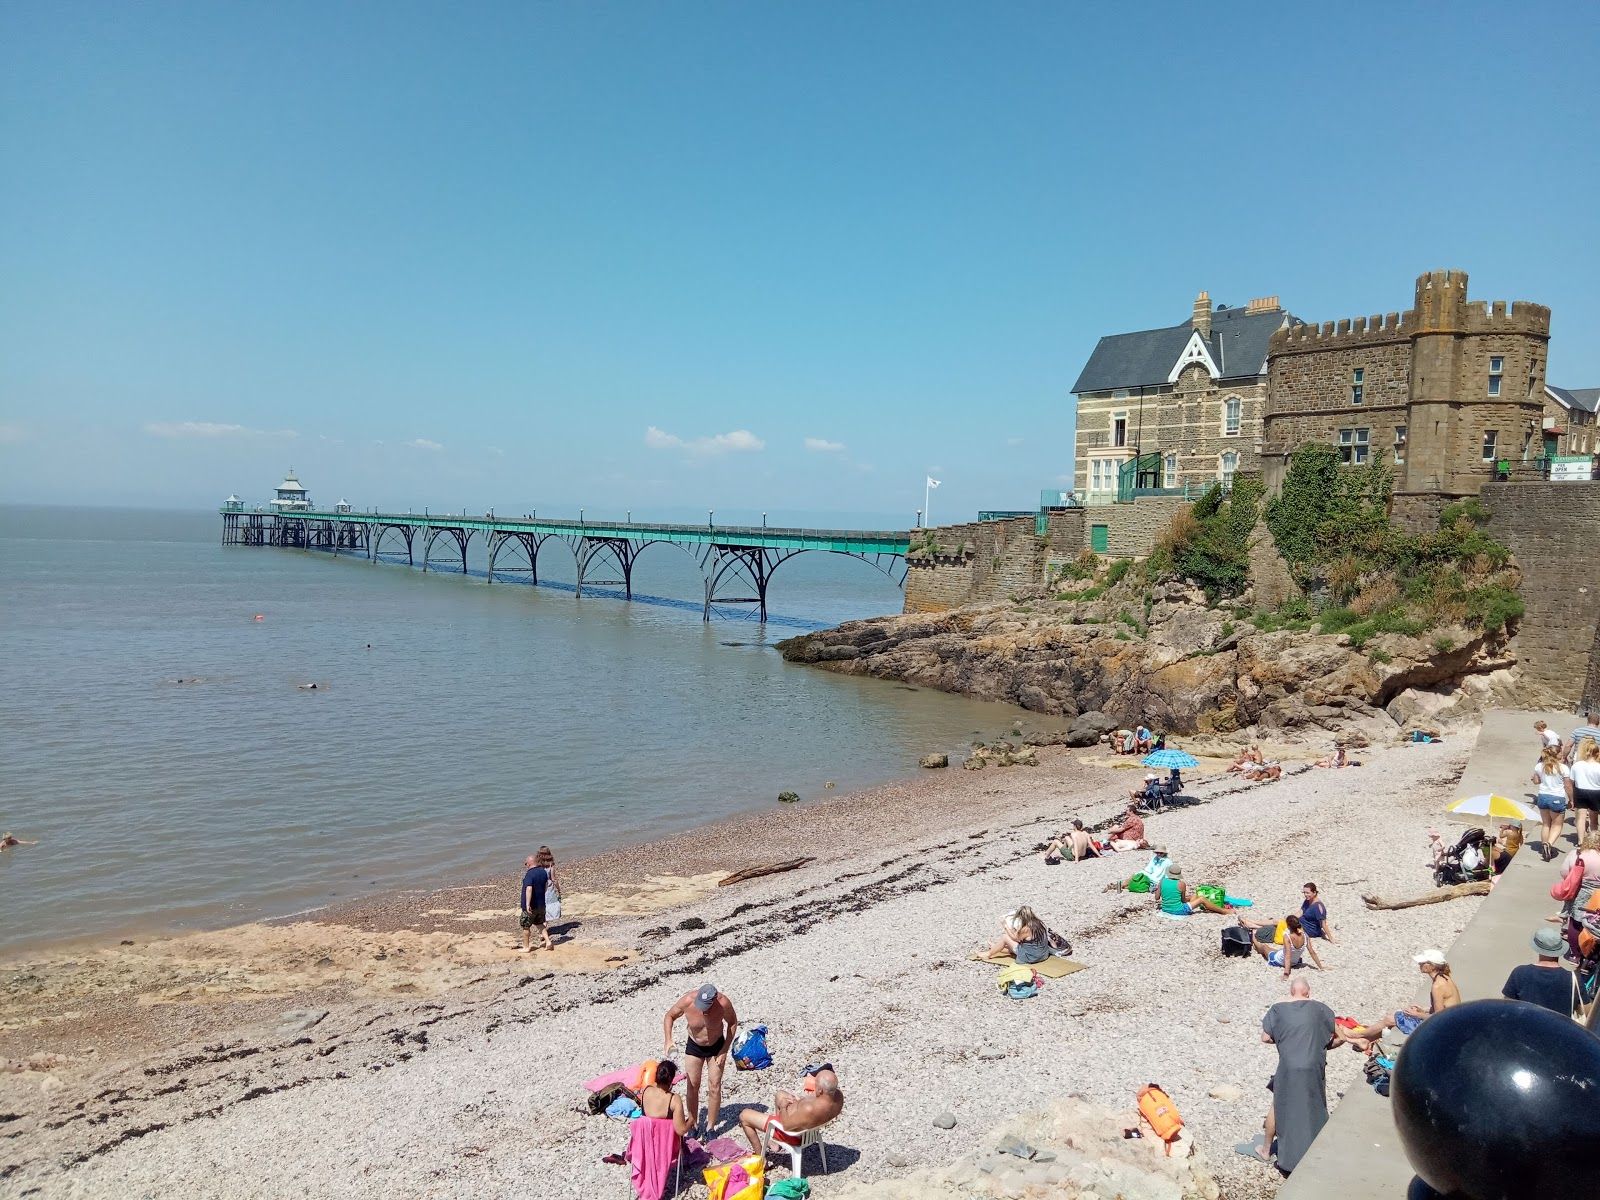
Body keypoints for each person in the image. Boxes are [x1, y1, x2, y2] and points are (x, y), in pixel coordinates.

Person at [1258, 978, 1340, 1174]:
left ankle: (1266, 1150)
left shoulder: (1278, 1008)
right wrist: (1323, 1047)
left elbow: (1265, 1037)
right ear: (1308, 992)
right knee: (1315, 1105)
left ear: (1291, 991)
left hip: (1289, 1066)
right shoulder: (1321, 1009)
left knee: (1278, 1104)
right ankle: (1314, 1149)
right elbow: (1340, 1037)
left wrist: (1283, 1041)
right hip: (1313, 1066)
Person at [1344, 948, 1461, 1048]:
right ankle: (1365, 1040)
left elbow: (1438, 1016)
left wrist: (1416, 1015)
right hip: (1451, 1024)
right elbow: (1444, 1007)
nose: (1419, 965)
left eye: (1422, 963)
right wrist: (1423, 1010)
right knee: (1397, 1015)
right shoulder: (1444, 978)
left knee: (1391, 1019)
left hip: (1442, 1029)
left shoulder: (1437, 986)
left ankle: (1357, 1036)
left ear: (1431, 966)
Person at [662, 982, 738, 1135]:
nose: (702, 1010)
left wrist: (724, 1050)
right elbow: (669, 1016)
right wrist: (668, 1040)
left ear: (714, 999)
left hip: (716, 1046)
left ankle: (710, 1127)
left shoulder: (723, 1003)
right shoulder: (688, 1000)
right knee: (692, 1085)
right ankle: (693, 1124)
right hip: (694, 1046)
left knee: (714, 1085)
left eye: (706, 1006)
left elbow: (733, 1023)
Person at [738, 1066, 845, 1158]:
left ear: (820, 1090)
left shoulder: (809, 1109)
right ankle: (774, 1142)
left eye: (815, 1084)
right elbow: (813, 1104)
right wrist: (799, 1101)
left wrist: (783, 1107)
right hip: (808, 1128)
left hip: (792, 1134)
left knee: (744, 1115)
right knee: (780, 1094)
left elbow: (787, 1126)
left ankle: (761, 1158)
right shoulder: (838, 1098)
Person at [1502, 927, 1576, 1017]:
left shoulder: (1520, 973)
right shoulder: (1573, 979)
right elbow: (1588, 1012)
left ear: (1537, 948)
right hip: (1559, 1030)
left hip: (1525, 1028)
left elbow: (1506, 1006)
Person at [1559, 831, 1600, 960]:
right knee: (1595, 924)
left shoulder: (1577, 854)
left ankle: (1575, 955)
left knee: (1575, 923)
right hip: (1598, 895)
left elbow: (1564, 873)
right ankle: (1590, 953)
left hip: (1580, 892)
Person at [1532, 746, 1573, 860]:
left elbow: (1536, 781)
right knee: (1557, 825)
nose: (1562, 754)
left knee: (1546, 824)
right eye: (1561, 752)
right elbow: (1567, 785)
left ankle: (1544, 844)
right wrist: (1572, 799)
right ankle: (1549, 844)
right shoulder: (1563, 768)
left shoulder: (1539, 766)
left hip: (1543, 796)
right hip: (1557, 797)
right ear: (1557, 754)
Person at [638, 1059, 692, 1136]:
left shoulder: (646, 1090)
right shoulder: (674, 1099)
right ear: (671, 1080)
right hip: (665, 1143)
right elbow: (681, 1130)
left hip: (647, 1139)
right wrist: (691, 1121)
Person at [518, 848, 556, 952]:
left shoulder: (530, 874)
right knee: (540, 924)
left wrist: (527, 904)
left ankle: (526, 947)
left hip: (532, 905)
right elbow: (546, 886)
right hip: (541, 904)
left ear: (530, 863)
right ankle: (548, 942)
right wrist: (542, 896)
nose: (526, 866)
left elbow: (529, 888)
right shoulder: (543, 872)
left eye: (526, 864)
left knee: (526, 926)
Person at [1155, 865, 1231, 917]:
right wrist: (1188, 899)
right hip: (1179, 910)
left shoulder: (1162, 881)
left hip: (1165, 909)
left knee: (1194, 896)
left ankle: (1209, 907)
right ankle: (1223, 911)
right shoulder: (1181, 884)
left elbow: (1157, 897)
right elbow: (1183, 900)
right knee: (1201, 899)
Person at [1570, 739, 1600, 846]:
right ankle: (1593, 841)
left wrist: (1571, 798)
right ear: (1597, 753)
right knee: (1594, 819)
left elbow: (1571, 782)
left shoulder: (1577, 765)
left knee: (1581, 818)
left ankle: (1580, 841)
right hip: (1596, 792)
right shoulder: (1598, 767)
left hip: (1580, 791)